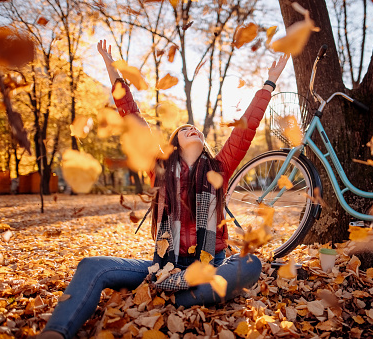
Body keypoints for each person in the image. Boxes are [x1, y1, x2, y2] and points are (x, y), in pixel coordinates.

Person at [36, 40, 288, 339]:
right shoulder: (160, 170)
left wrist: (269, 83)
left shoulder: (218, 169)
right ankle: (56, 332)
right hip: (164, 266)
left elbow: (244, 130)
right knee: (93, 265)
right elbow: (131, 116)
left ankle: (181, 295)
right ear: (174, 143)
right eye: (184, 129)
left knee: (250, 265)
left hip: (210, 265)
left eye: (194, 128)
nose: (191, 129)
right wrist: (110, 65)